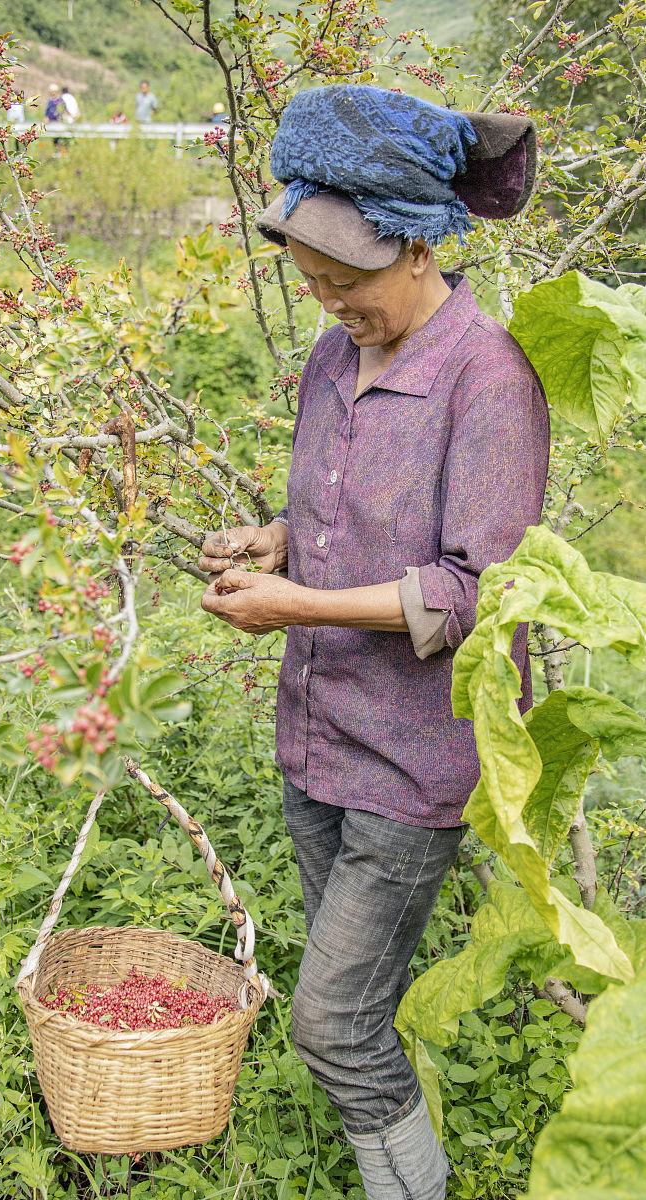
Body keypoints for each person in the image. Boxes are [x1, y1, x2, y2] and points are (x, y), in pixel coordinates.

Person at [199, 84, 548, 1200]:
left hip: (412, 761)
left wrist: (288, 605)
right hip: (318, 739)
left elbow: (467, 592)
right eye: (311, 285)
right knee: (350, 1002)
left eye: (345, 282)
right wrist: (273, 539)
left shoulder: (487, 379)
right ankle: (389, 1134)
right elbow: (333, 512)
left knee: (332, 1024)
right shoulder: (331, 359)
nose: (330, 303)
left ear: (417, 244)